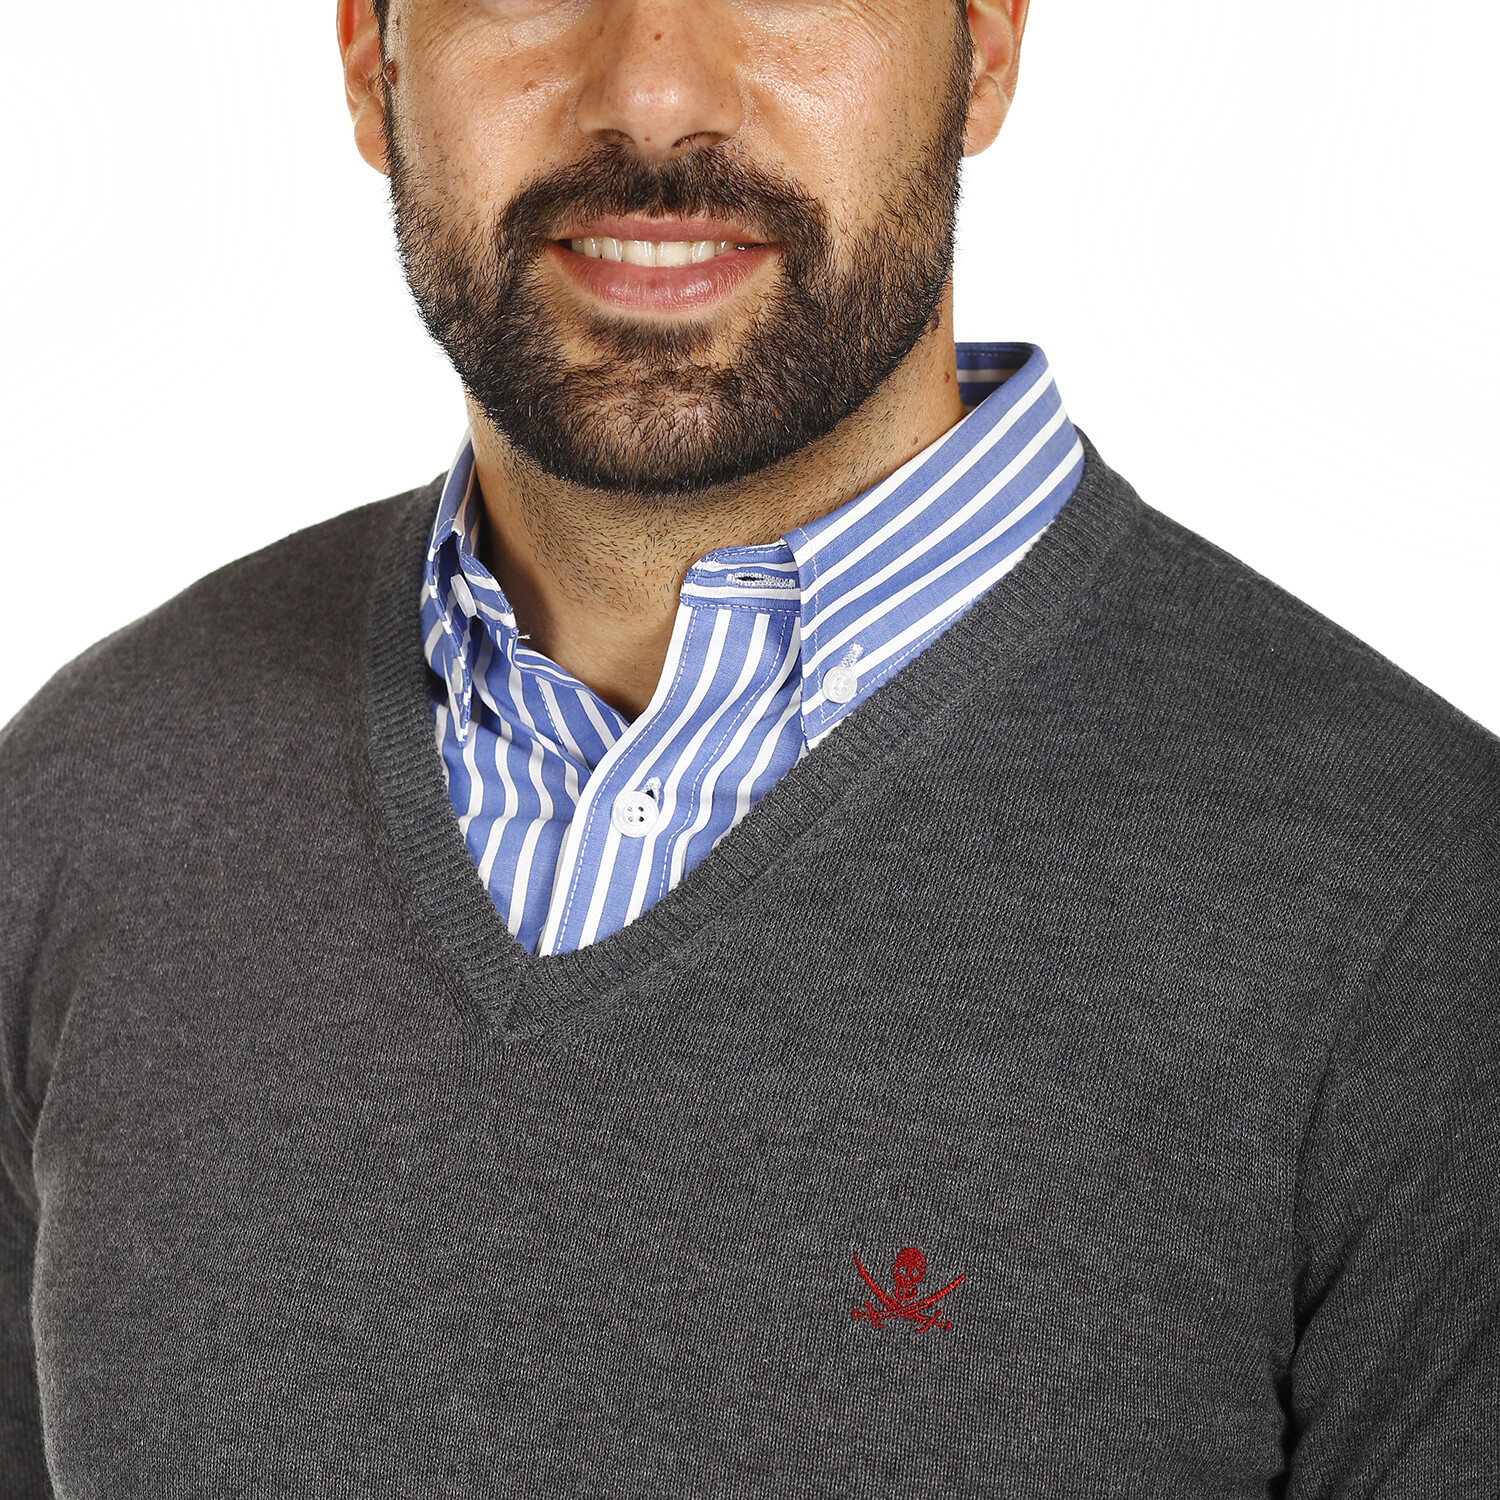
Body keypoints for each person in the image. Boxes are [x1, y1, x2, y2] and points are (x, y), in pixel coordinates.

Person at [1, 0, 1494, 1492]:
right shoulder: (85, 807)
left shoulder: (1424, 910)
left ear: (983, 49)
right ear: (366, 59)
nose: (652, 91)